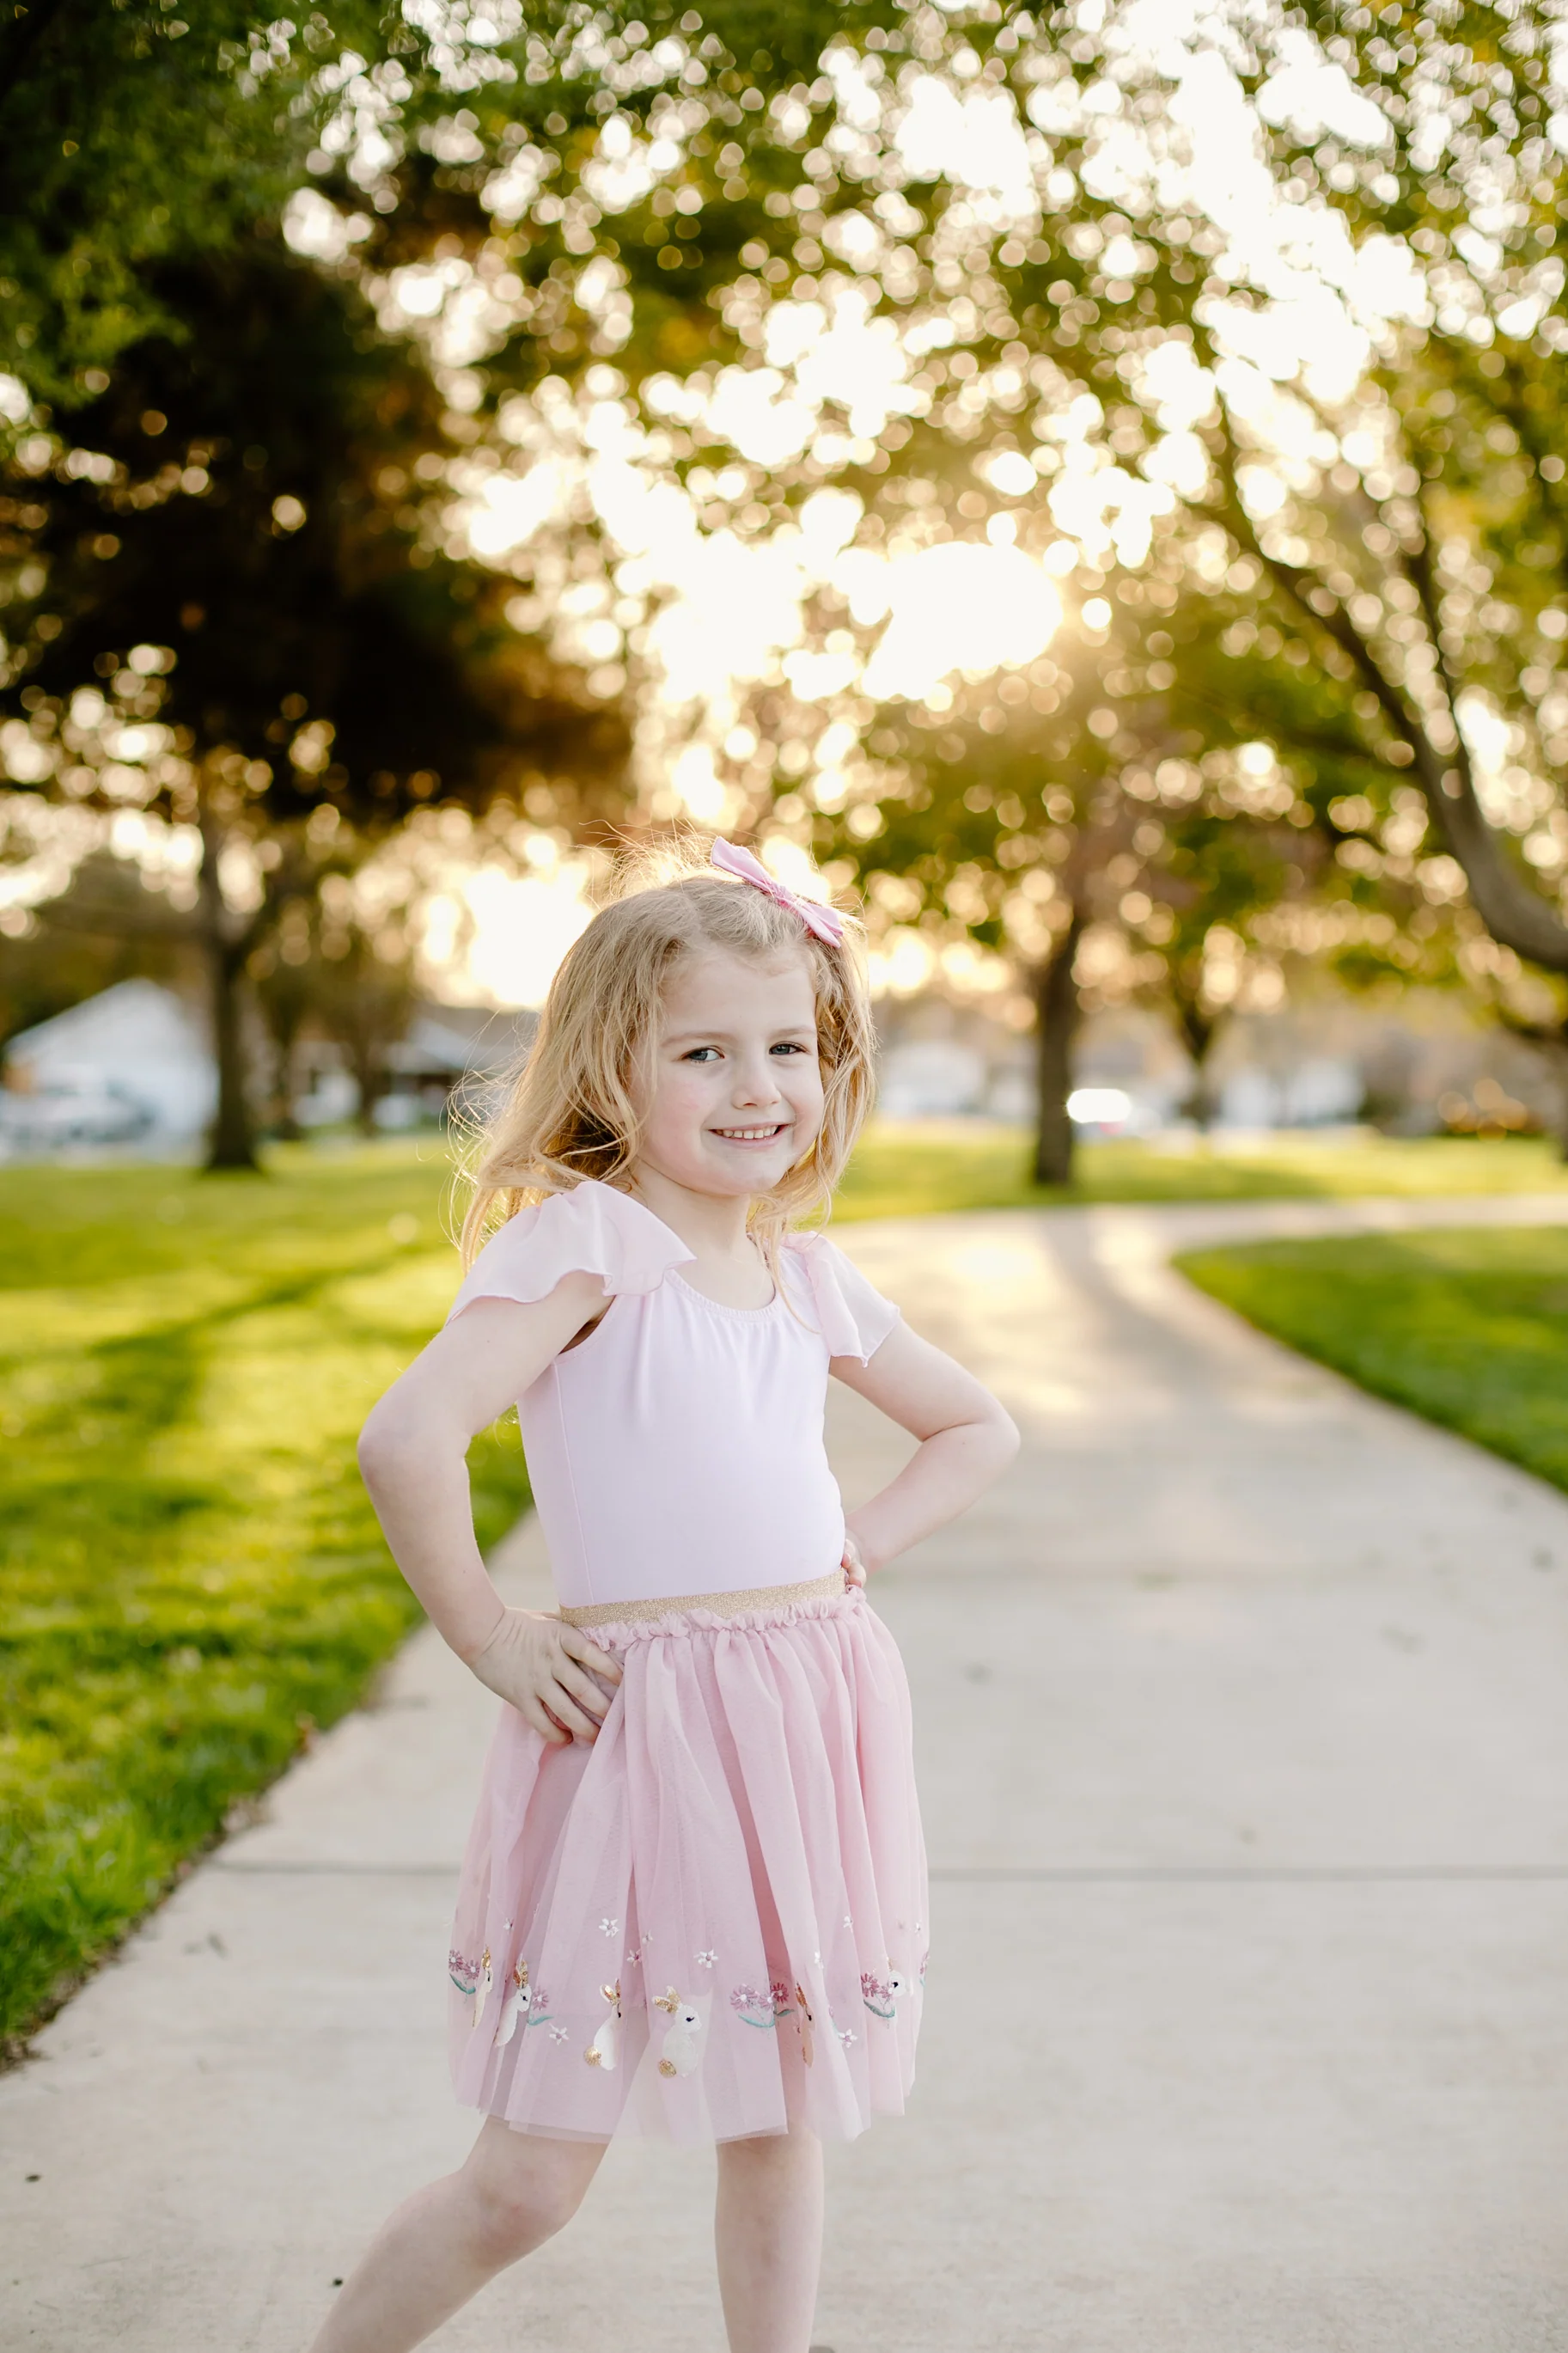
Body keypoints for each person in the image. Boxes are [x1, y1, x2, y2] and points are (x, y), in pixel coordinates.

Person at [310, 834, 1018, 2353]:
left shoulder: (809, 1277)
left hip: (798, 1717)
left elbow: (978, 1427)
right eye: (704, 1049)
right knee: (528, 2179)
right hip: (642, 1737)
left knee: (779, 2114)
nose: (758, 1082)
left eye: (788, 1046)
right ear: (614, 1074)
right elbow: (407, 1434)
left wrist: (856, 1548)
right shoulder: (592, 1249)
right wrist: (490, 1633)